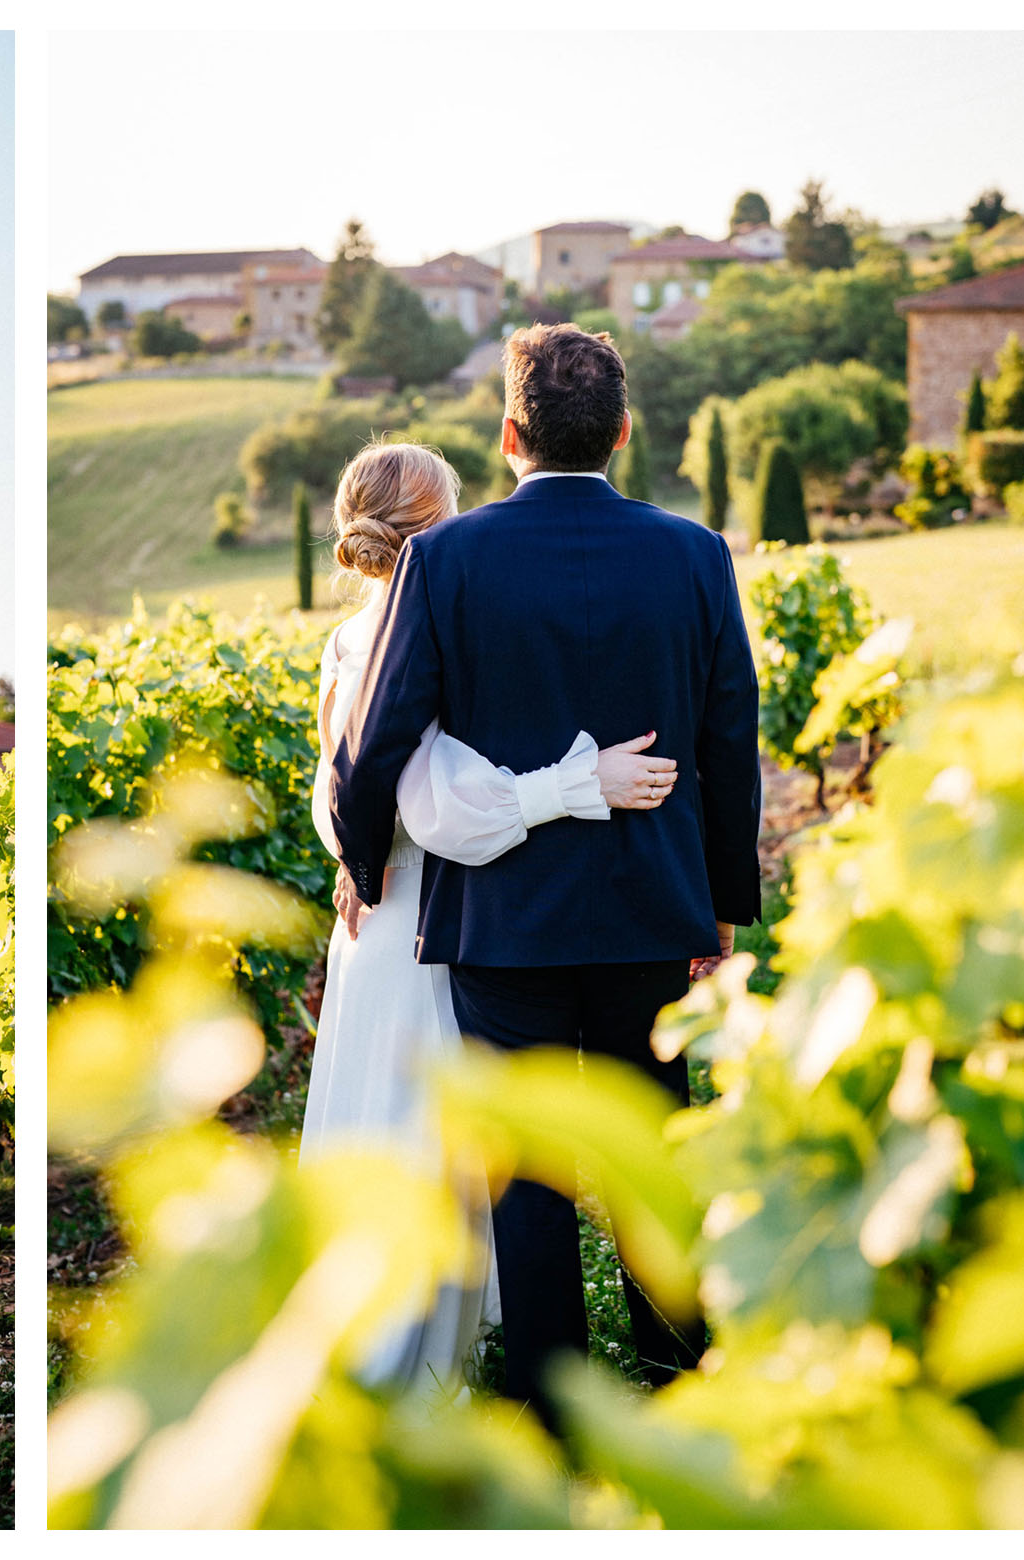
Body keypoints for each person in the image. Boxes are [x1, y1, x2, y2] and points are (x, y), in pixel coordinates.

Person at [331, 325, 763, 1427]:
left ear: (509, 433)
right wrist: (720, 906)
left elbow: (379, 739)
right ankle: (676, 1388)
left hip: (502, 927)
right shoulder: (697, 554)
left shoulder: (447, 558)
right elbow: (726, 739)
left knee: (523, 1172)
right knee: (649, 1152)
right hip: (651, 914)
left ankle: (552, 1417)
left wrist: (359, 854)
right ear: (622, 431)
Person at [301, 439, 679, 1403]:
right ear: (425, 524)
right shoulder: (399, 629)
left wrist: (353, 851)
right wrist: (580, 783)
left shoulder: (354, 635)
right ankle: (407, 1369)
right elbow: (440, 807)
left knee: (419, 1141)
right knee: (421, 1139)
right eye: (457, 505)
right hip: (433, 921)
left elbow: (342, 795)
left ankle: (458, 1361)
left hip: (393, 918)